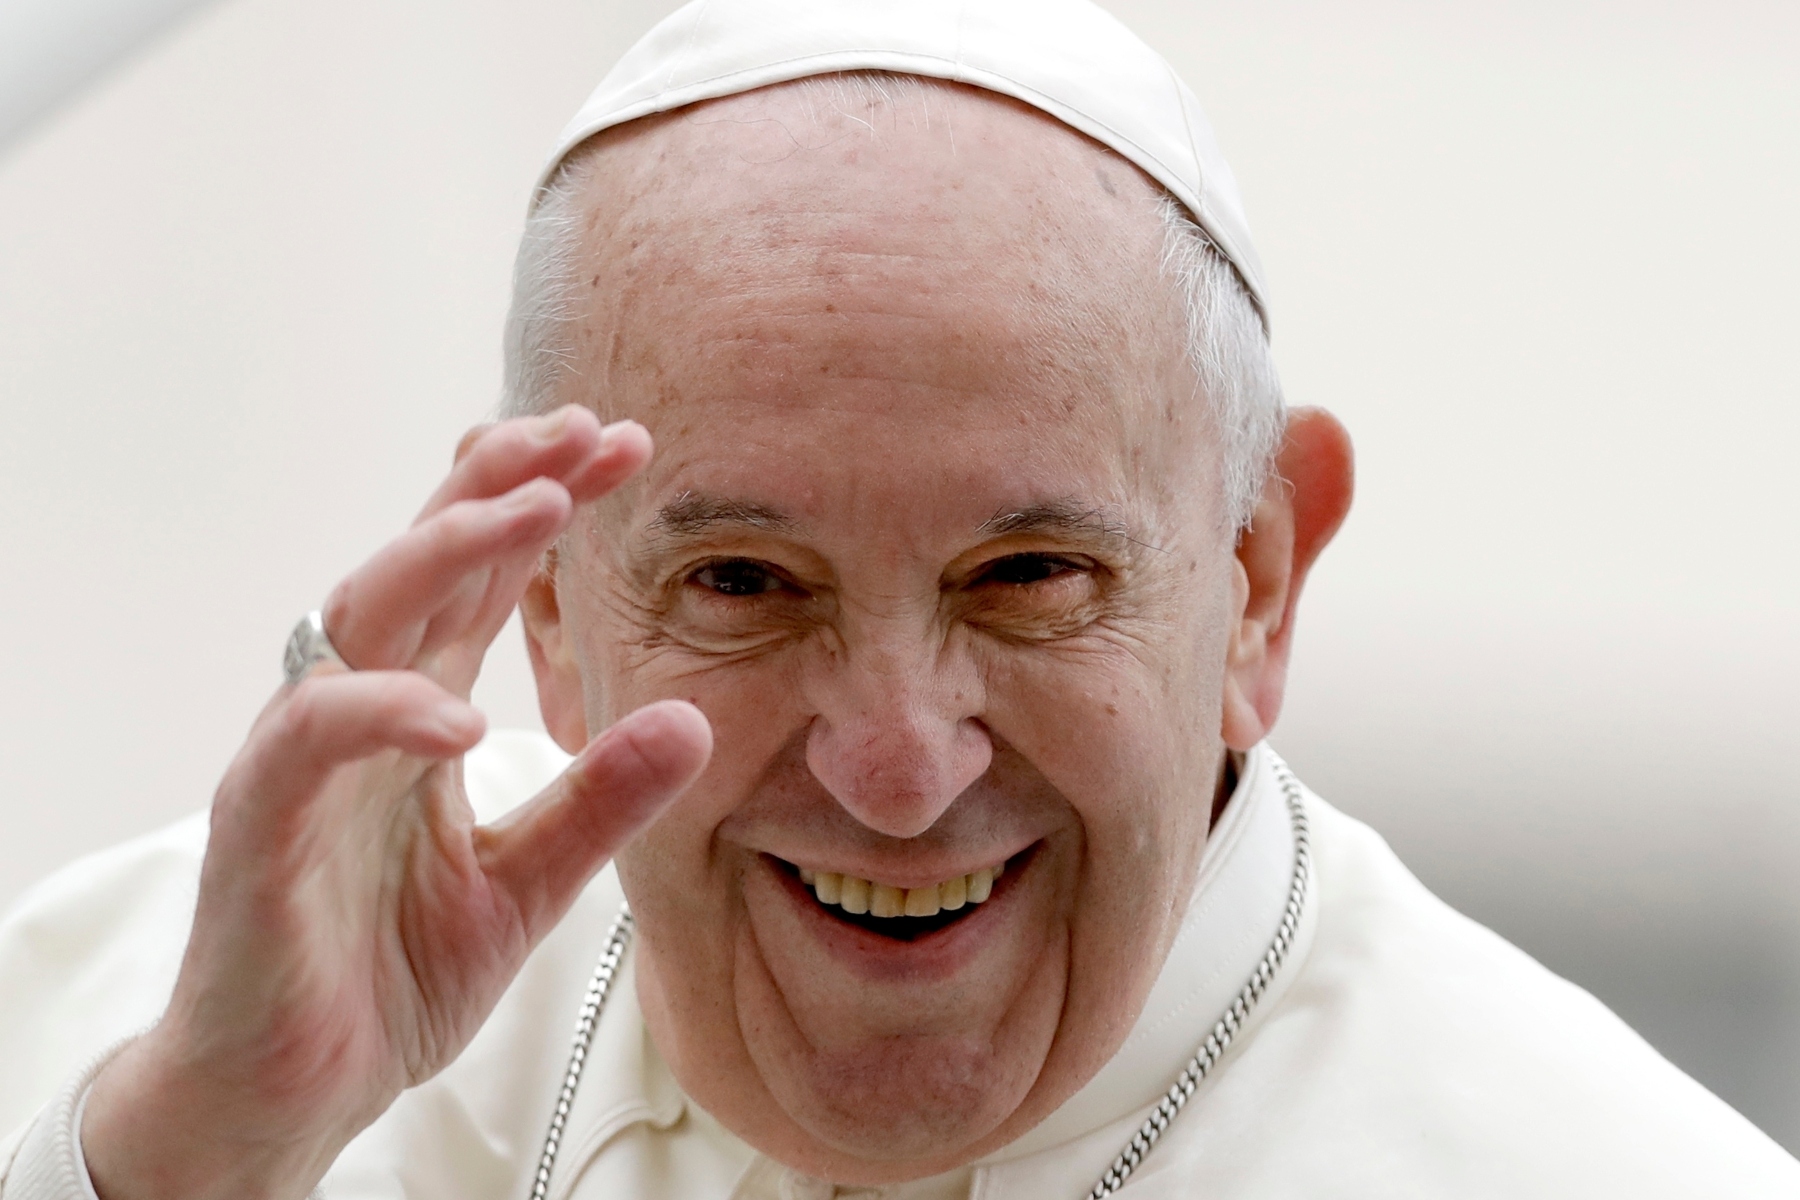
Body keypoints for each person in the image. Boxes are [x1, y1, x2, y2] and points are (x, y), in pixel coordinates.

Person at [2, 1, 1796, 1197]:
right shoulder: (191, 1020)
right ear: (548, 609)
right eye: (742, 583)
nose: (897, 767)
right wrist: (188, 1162)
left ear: (1255, 584)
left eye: (1026, 578)